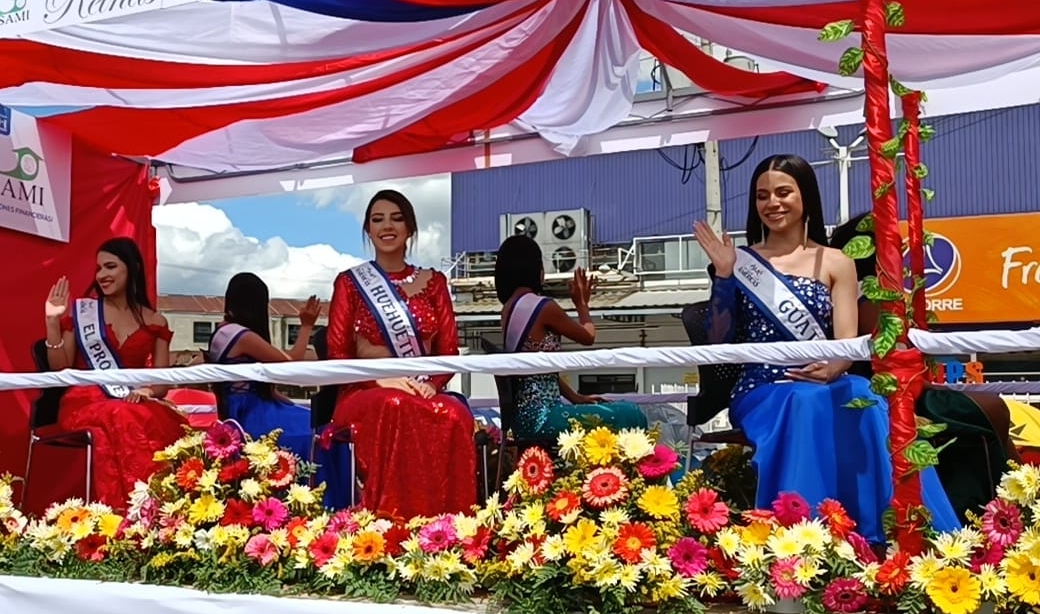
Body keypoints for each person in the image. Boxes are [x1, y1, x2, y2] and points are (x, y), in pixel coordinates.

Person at [693, 154, 959, 543]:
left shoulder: (837, 261)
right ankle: (801, 537)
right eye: (762, 195)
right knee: (804, 401)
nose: (773, 203)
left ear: (806, 198)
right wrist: (725, 276)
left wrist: (836, 367)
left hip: (826, 377)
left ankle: (903, 533)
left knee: (864, 394)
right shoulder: (740, 262)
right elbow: (718, 341)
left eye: (783, 192)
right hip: (764, 389)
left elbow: (847, 340)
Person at [829, 213, 1020, 521]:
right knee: (991, 407)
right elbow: (884, 349)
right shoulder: (868, 294)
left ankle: (1016, 490)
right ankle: (1013, 497)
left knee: (990, 409)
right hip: (887, 393)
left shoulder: (881, 291)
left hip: (906, 385)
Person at [326, 189, 475, 519]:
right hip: (365, 391)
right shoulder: (350, 284)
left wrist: (433, 384)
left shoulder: (434, 283)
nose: (387, 226)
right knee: (395, 406)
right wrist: (381, 378)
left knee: (454, 414)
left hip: (422, 389)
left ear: (410, 227)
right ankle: (391, 522)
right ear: (367, 230)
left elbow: (448, 350)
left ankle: (451, 527)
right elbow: (337, 352)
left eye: (396, 218)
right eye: (377, 220)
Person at [43, 237, 188, 509]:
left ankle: (171, 510)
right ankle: (135, 513)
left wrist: (147, 390)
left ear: (132, 267)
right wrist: (53, 322)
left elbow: (162, 381)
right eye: (98, 269)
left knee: (166, 419)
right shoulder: (83, 312)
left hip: (132, 400)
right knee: (122, 415)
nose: (102, 275)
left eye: (110, 266)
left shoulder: (156, 321)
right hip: (85, 401)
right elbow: (59, 367)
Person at [205, 272, 352, 507]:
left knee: (323, 424)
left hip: (252, 408)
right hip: (251, 414)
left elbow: (266, 386)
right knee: (324, 433)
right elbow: (289, 363)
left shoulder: (226, 332)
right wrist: (306, 326)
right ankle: (329, 502)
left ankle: (331, 502)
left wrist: (292, 404)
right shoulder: (239, 335)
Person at [494, 235, 646, 440]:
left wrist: (575, 397)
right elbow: (588, 336)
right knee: (632, 414)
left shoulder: (507, 310)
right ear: (537, 270)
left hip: (523, 419)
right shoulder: (544, 307)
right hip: (545, 418)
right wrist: (582, 304)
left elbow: (539, 372)